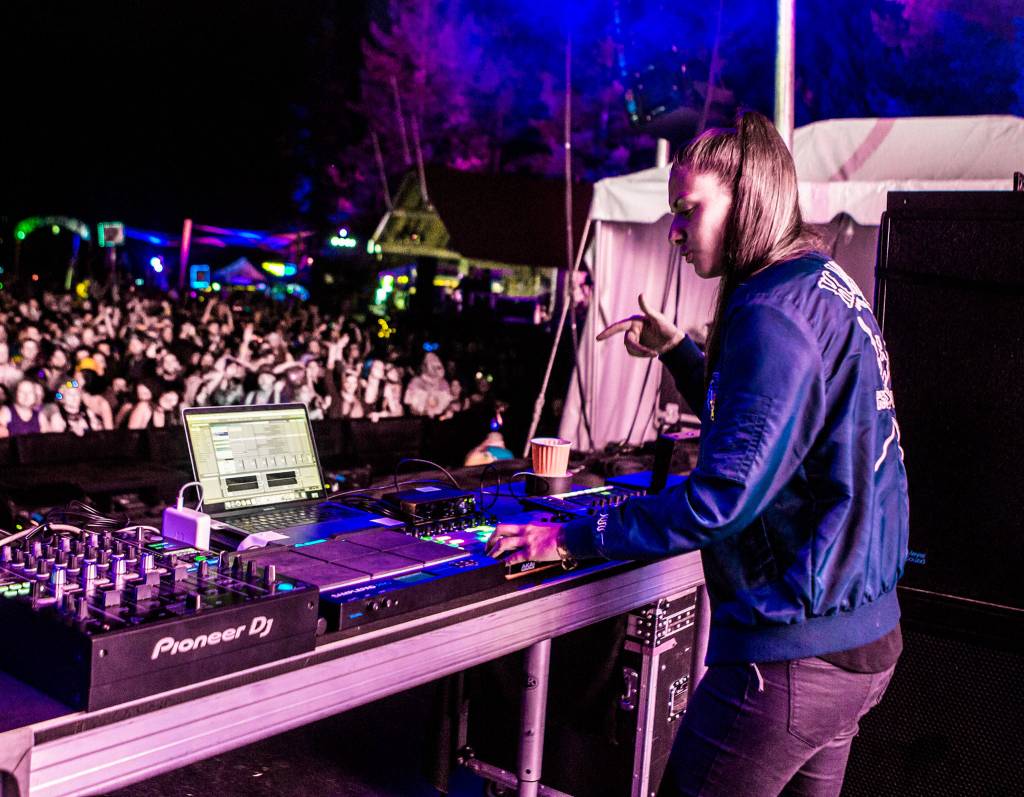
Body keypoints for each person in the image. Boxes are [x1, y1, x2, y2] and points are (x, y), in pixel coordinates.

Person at [487, 111, 909, 797]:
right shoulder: (824, 285)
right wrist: (681, 351)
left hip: (791, 653)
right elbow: (780, 426)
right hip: (860, 645)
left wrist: (571, 536)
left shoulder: (772, 311)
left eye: (689, 211)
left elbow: (721, 499)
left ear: (747, 199)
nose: (676, 232)